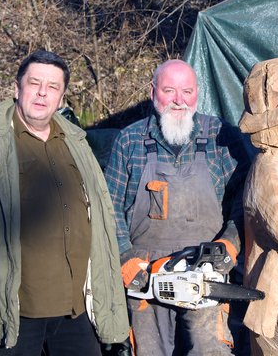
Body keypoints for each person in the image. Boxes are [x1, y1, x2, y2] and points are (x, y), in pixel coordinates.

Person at [0, 50, 129, 355]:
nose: (43, 93)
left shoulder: (76, 143)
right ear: (17, 87)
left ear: (62, 98)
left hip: (77, 311)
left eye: (53, 87)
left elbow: (100, 218)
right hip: (11, 310)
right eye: (35, 83)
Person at [105, 59, 252, 356]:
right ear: (152, 92)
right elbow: (108, 207)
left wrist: (230, 244)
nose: (179, 100)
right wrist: (125, 256)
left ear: (198, 93)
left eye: (187, 91)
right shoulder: (130, 140)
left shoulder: (221, 137)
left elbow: (246, 200)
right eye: (169, 90)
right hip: (146, 275)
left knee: (208, 349)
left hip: (205, 270)